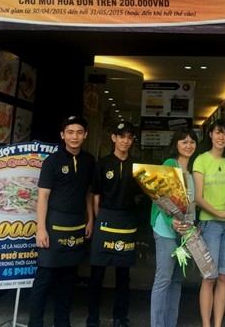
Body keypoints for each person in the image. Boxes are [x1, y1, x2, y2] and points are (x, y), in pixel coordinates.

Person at [28, 116, 95, 327]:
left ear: (85, 135)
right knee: (44, 278)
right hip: (54, 225)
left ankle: (62, 322)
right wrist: (41, 228)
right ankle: (35, 323)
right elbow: (43, 197)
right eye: (70, 132)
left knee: (68, 279)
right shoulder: (52, 162)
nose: (75, 137)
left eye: (79, 132)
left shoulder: (89, 161)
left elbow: (88, 194)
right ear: (62, 135)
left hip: (77, 225)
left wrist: (90, 220)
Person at [86, 121, 140, 327]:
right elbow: (96, 195)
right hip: (105, 220)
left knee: (123, 274)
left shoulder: (137, 166)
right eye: (121, 136)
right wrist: (97, 219)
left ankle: (120, 317)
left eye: (129, 137)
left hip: (127, 221)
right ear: (114, 138)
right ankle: (93, 318)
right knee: (97, 273)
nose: (125, 141)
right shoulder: (102, 163)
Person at [192, 119, 225, 327]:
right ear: (210, 134)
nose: (221, 137)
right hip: (210, 224)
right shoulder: (201, 160)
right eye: (218, 133)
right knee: (209, 277)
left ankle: (217, 323)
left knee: (223, 277)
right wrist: (220, 213)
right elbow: (198, 198)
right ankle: (206, 324)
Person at [150, 128, 198, 327]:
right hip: (166, 230)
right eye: (184, 141)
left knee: (177, 280)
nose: (188, 145)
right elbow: (160, 197)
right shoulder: (170, 164)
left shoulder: (192, 171)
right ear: (176, 144)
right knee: (164, 279)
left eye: (192, 142)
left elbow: (191, 205)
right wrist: (171, 221)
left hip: (184, 233)